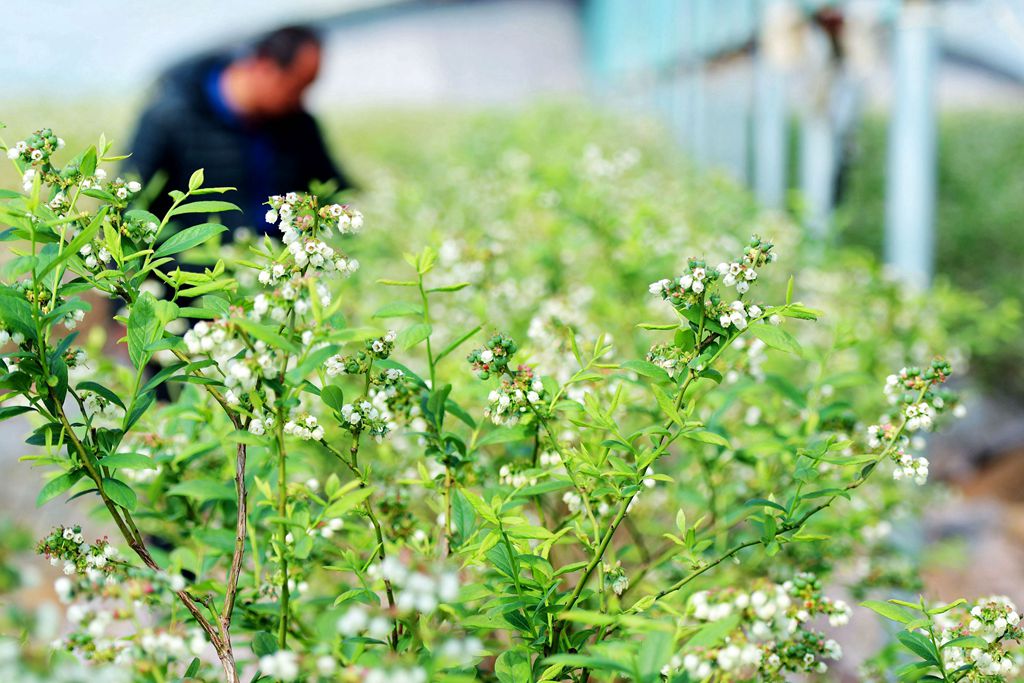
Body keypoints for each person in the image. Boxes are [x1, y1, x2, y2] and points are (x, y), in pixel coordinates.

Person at [125, 25, 352, 231]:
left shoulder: (298, 124)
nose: (301, 100)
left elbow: (335, 190)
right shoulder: (168, 117)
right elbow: (130, 206)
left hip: (282, 266)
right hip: (196, 270)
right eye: (296, 88)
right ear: (265, 67)